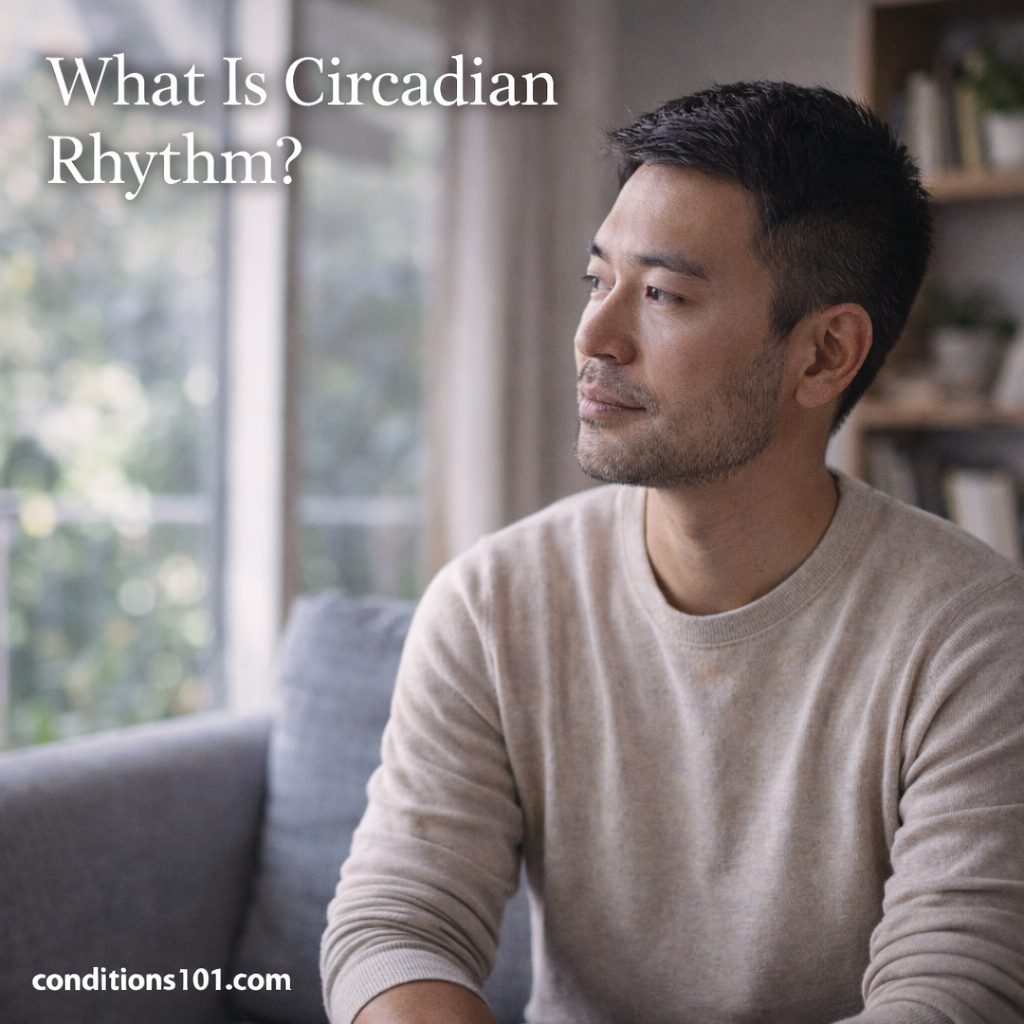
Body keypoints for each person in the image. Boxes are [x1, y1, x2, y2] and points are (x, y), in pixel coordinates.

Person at [320, 82, 1024, 1024]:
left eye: (661, 294)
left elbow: (950, 993)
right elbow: (396, 922)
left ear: (823, 355)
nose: (594, 335)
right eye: (596, 279)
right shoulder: (492, 602)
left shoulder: (970, 635)